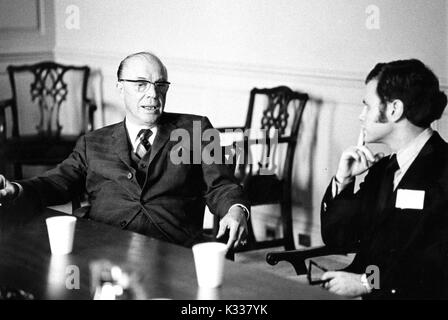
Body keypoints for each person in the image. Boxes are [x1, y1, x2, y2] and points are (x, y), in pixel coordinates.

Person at [0, 52, 250, 249]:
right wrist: (18, 189)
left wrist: (235, 210)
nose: (153, 94)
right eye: (141, 84)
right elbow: (57, 181)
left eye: (160, 85)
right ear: (120, 88)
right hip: (105, 247)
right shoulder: (93, 142)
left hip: (175, 250)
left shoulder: (196, 129)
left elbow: (222, 186)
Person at [319, 59, 448, 299]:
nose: (361, 116)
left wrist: (368, 283)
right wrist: (343, 180)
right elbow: (339, 238)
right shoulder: (384, 169)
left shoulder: (443, 172)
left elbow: (436, 266)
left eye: (367, 106)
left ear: (394, 110)